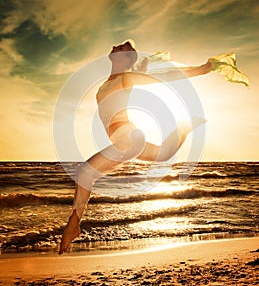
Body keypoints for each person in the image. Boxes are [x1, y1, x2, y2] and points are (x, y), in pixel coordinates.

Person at [59, 41, 212, 255]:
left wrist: (201, 70)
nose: (115, 46)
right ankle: (185, 127)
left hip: (128, 136)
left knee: (85, 172)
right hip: (127, 138)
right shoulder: (109, 81)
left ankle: (73, 226)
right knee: (163, 153)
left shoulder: (126, 78)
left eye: (121, 47)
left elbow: (165, 78)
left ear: (128, 58)